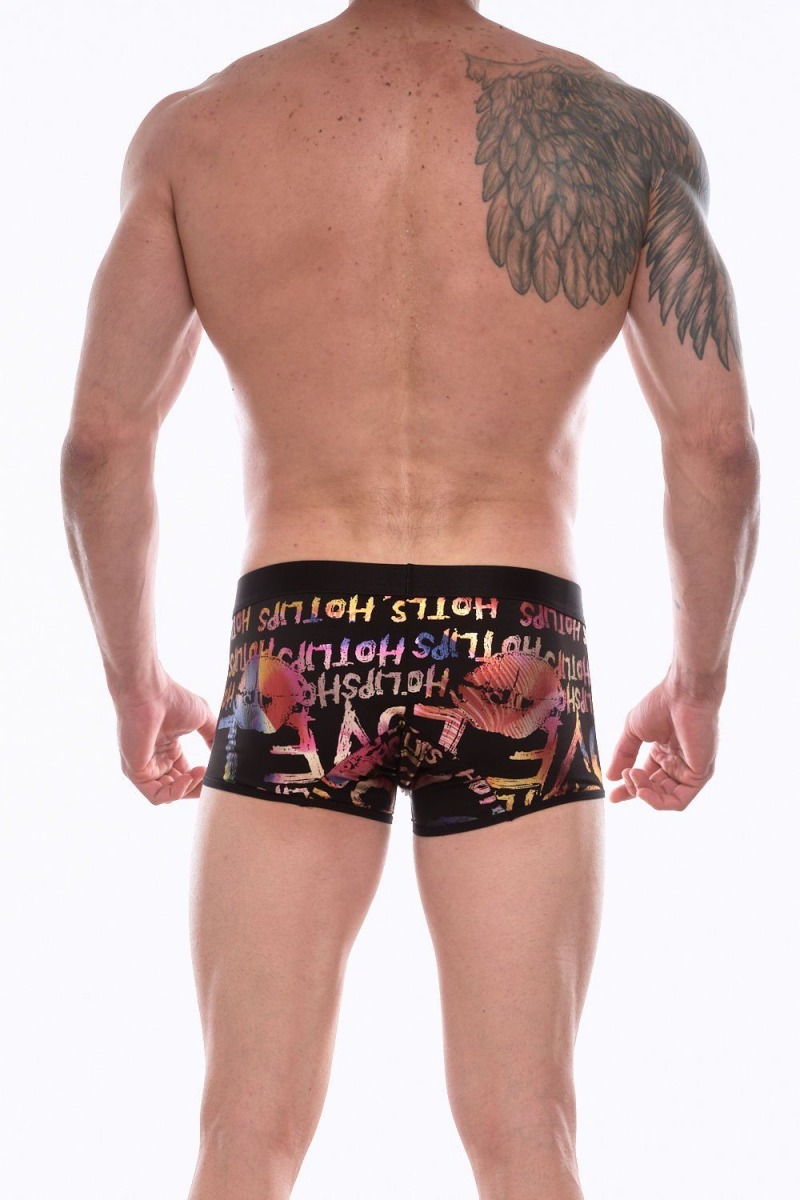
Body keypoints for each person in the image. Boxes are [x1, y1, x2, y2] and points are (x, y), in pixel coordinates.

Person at [60, 0, 760, 1196]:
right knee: (528, 1130)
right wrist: (696, 681)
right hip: (514, 645)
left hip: (296, 646)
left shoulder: (201, 131)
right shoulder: (623, 130)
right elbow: (716, 447)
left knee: (244, 1133)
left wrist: (135, 683)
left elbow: (101, 444)